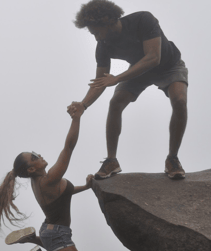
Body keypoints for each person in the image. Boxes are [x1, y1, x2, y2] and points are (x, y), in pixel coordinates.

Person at [71, 0, 188, 180]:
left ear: (107, 21)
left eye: (96, 32)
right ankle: (111, 161)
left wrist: (117, 78)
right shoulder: (103, 46)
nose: (96, 38)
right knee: (115, 102)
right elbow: (100, 82)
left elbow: (153, 57)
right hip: (138, 71)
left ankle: (172, 159)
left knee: (179, 100)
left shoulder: (143, 20)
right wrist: (84, 105)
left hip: (168, 65)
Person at [0, 104, 93, 251]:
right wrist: (77, 118)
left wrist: (88, 187)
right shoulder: (48, 179)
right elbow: (68, 147)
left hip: (51, 231)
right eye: (34, 156)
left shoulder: (41, 182)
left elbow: (64, 194)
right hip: (58, 234)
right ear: (31, 169)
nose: (38, 154)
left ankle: (33, 239)